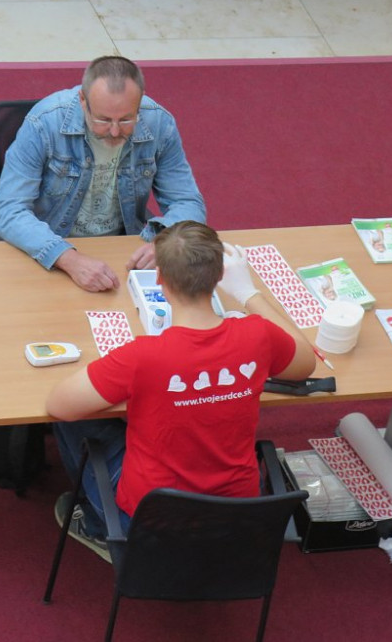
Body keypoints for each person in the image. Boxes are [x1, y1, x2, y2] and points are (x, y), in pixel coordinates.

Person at [45, 221, 316, 559]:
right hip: (236, 516)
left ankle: (98, 527)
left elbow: (59, 405)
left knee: (75, 423)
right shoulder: (259, 335)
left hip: (149, 519)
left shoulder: (143, 356)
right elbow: (305, 363)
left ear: (159, 279)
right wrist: (249, 293)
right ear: (220, 276)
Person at [0, 55, 206, 293]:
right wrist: (68, 258)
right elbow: (8, 210)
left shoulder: (160, 123)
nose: (114, 131)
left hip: (121, 250)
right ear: (83, 100)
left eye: (126, 120)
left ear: (140, 102)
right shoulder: (43, 123)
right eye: (103, 119)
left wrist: (166, 244)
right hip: (50, 247)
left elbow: (188, 202)